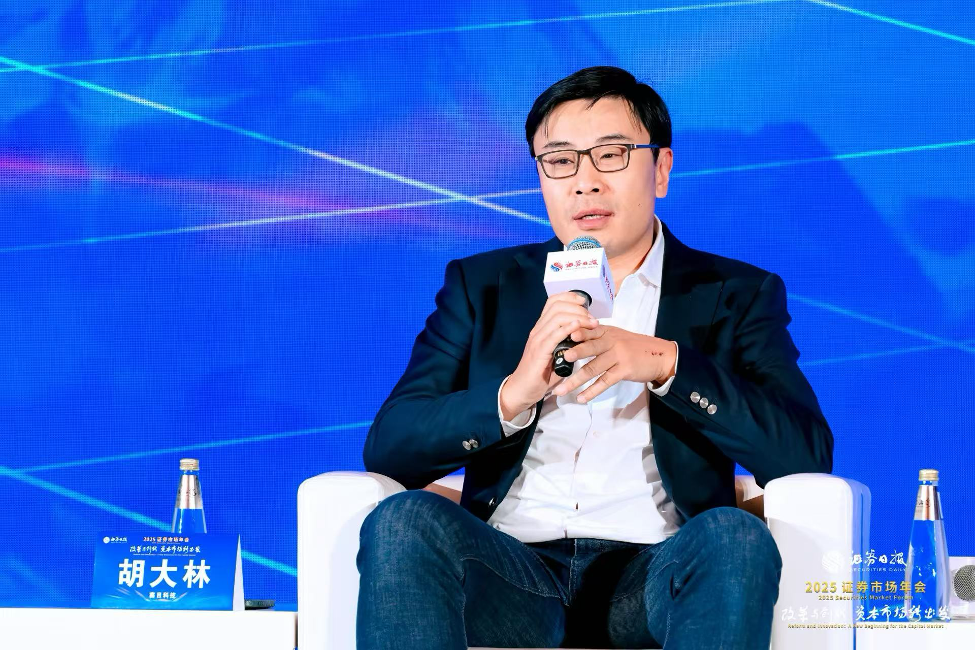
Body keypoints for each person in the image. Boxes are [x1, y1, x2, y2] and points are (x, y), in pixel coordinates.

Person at [357, 66, 833, 650]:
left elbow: (803, 453)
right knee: (402, 521)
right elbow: (390, 449)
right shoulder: (483, 286)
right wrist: (513, 396)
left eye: (610, 155)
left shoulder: (736, 293)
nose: (584, 183)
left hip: (655, 573)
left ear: (661, 169)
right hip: (509, 572)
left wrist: (668, 366)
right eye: (560, 161)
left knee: (734, 536)